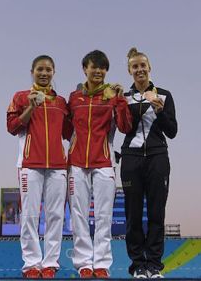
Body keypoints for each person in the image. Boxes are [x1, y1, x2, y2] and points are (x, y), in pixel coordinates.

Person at [67, 50, 132, 278]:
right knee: (79, 214)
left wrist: (121, 100)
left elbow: (125, 126)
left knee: (104, 215)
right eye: (94, 67)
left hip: (104, 162)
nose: (98, 71)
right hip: (76, 163)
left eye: (102, 68)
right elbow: (66, 129)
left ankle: (102, 263)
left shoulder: (113, 95)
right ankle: (84, 263)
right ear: (85, 68)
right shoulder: (74, 98)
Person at [7, 55, 71, 279]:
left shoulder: (61, 102)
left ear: (54, 72)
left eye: (48, 70)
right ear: (32, 71)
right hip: (29, 164)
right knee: (30, 216)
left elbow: (68, 133)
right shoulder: (20, 97)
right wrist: (31, 107)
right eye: (40, 70)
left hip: (57, 166)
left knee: (56, 216)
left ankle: (51, 262)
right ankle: (32, 263)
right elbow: (12, 127)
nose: (44, 73)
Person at [120, 47, 177, 279]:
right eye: (135, 66)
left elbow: (172, 131)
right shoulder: (123, 98)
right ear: (129, 71)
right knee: (133, 215)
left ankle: (153, 265)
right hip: (131, 159)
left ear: (149, 68)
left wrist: (160, 111)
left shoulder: (164, 94)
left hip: (157, 157)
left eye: (143, 65)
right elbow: (123, 128)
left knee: (156, 213)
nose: (140, 69)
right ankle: (137, 266)